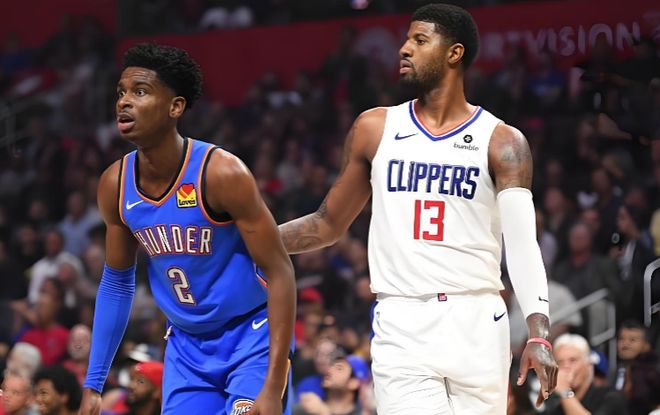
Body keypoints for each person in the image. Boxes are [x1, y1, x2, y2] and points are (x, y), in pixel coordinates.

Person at [279, 4, 557, 413]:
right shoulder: (375, 128)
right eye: (407, 39)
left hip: (476, 318)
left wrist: (538, 332)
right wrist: (248, 237)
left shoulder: (502, 141)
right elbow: (328, 224)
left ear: (454, 53)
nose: (404, 49)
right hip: (401, 318)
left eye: (420, 40)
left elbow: (522, 246)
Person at [79, 43, 296, 415]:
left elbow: (280, 272)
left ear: (175, 107)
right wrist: (93, 384)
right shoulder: (115, 184)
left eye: (140, 92)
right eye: (121, 92)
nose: (124, 102)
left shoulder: (221, 173)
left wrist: (273, 383)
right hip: (186, 346)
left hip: (251, 336)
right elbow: (116, 282)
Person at [542, 333, 628, 415]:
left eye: (573, 360)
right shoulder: (556, 407)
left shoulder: (611, 398)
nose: (566, 367)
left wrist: (565, 391)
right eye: (560, 362)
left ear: (588, 364)